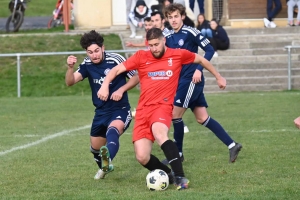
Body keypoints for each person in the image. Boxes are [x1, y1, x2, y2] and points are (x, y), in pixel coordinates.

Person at [97, 28, 227, 190]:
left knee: (160, 133)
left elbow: (201, 60)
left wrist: (218, 76)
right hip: (143, 110)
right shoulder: (141, 57)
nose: (154, 49)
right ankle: (170, 175)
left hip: (162, 107)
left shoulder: (177, 54)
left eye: (156, 44)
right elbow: (116, 70)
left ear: (163, 40)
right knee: (142, 157)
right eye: (150, 45)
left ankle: (180, 177)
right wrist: (104, 85)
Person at [161, 3, 241, 165]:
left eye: (176, 16)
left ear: (182, 16)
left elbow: (209, 49)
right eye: (170, 17)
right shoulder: (168, 36)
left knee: (175, 115)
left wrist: (198, 69)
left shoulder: (191, 32)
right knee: (202, 118)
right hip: (180, 81)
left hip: (191, 79)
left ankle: (178, 154)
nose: (174, 20)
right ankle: (232, 145)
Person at [65, 30, 139, 180]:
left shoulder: (115, 59)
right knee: (95, 149)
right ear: (86, 52)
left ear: (103, 48)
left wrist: (121, 89)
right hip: (100, 112)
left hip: (120, 109)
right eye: (90, 52)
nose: (94, 55)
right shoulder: (87, 64)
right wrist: (70, 68)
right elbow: (70, 82)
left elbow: (136, 77)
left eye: (97, 51)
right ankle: (104, 167)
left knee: (113, 131)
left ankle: (108, 158)